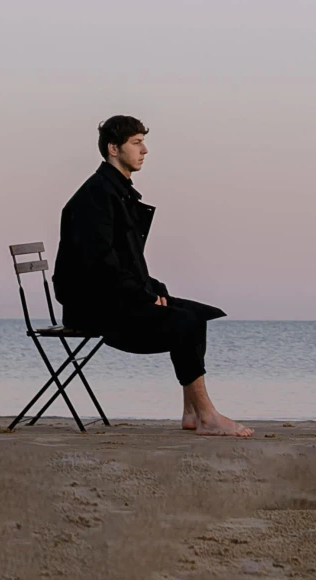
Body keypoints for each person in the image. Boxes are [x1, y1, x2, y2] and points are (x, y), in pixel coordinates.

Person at [53, 115, 252, 437]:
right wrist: (145, 296)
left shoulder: (118, 193)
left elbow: (127, 262)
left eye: (143, 141)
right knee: (183, 324)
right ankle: (207, 416)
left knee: (196, 315)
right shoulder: (95, 197)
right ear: (113, 148)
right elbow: (100, 266)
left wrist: (154, 289)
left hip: (117, 296)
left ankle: (191, 413)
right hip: (95, 308)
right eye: (136, 142)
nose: (144, 150)